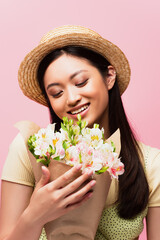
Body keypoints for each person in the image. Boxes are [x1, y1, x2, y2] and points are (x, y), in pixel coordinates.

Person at [0, 25, 160, 240]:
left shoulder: (151, 164)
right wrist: (35, 215)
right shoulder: (31, 149)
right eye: (57, 93)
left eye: (81, 82)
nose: (71, 98)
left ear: (109, 76)